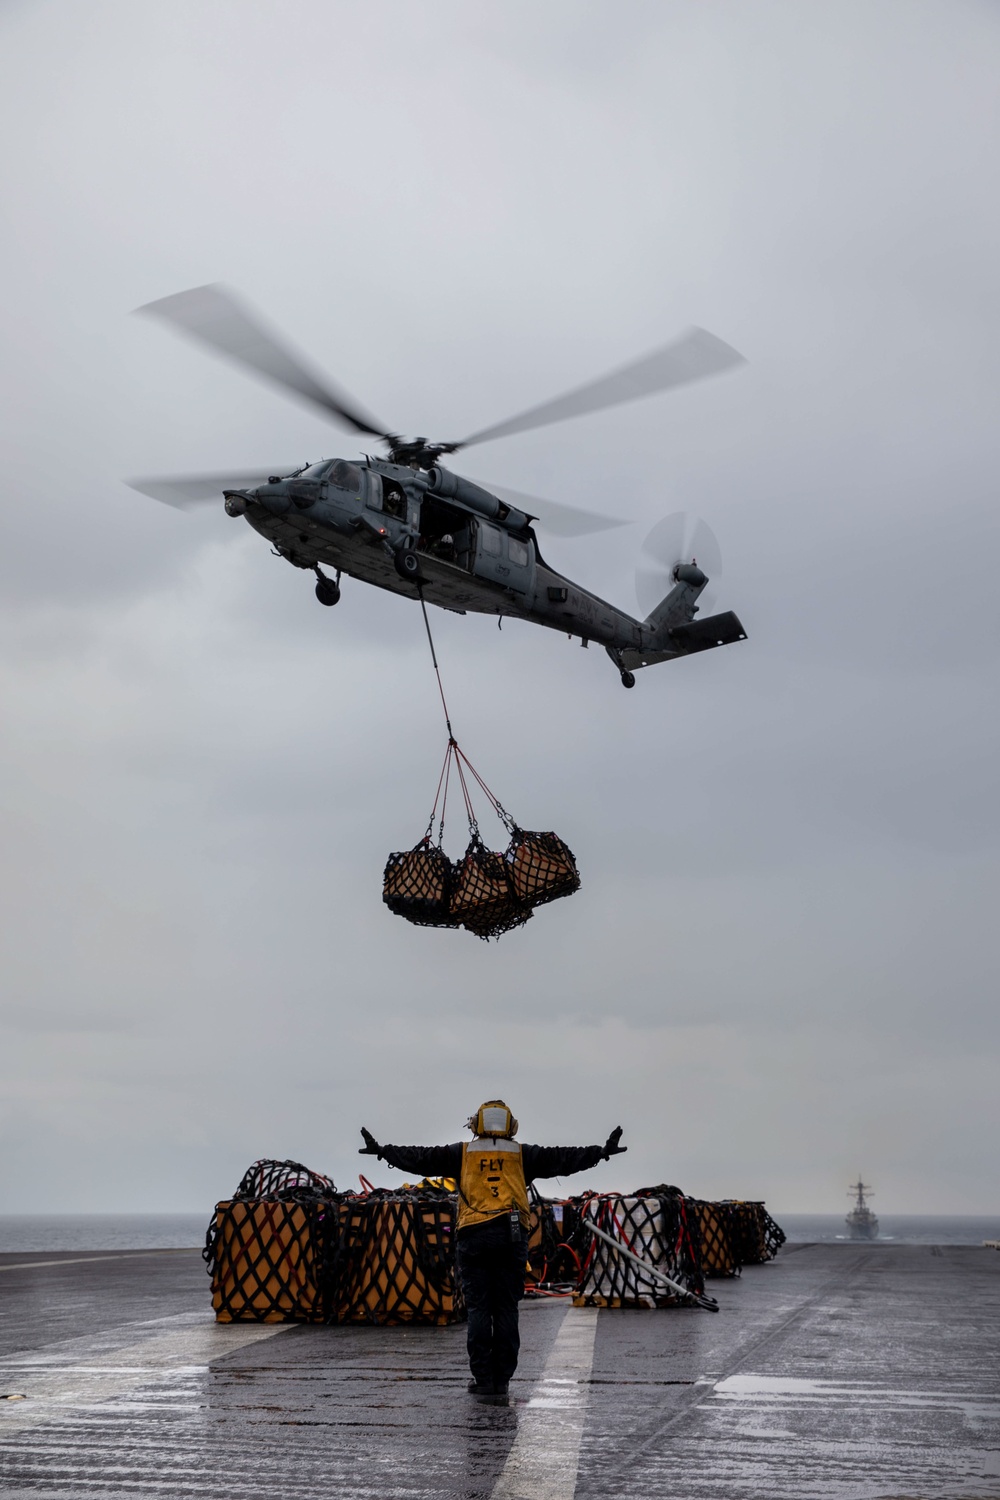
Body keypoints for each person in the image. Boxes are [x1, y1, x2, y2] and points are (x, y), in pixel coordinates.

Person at [359, 1100, 626, 1400]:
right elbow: (562, 1159)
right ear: (511, 1126)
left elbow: (421, 1158)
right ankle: (503, 1381)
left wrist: (383, 1151)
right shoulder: (521, 1154)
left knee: (479, 1309)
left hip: (473, 1238)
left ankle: (484, 1381)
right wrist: (600, 1153)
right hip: (511, 1240)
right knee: (506, 1309)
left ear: (476, 1124)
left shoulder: (462, 1153)